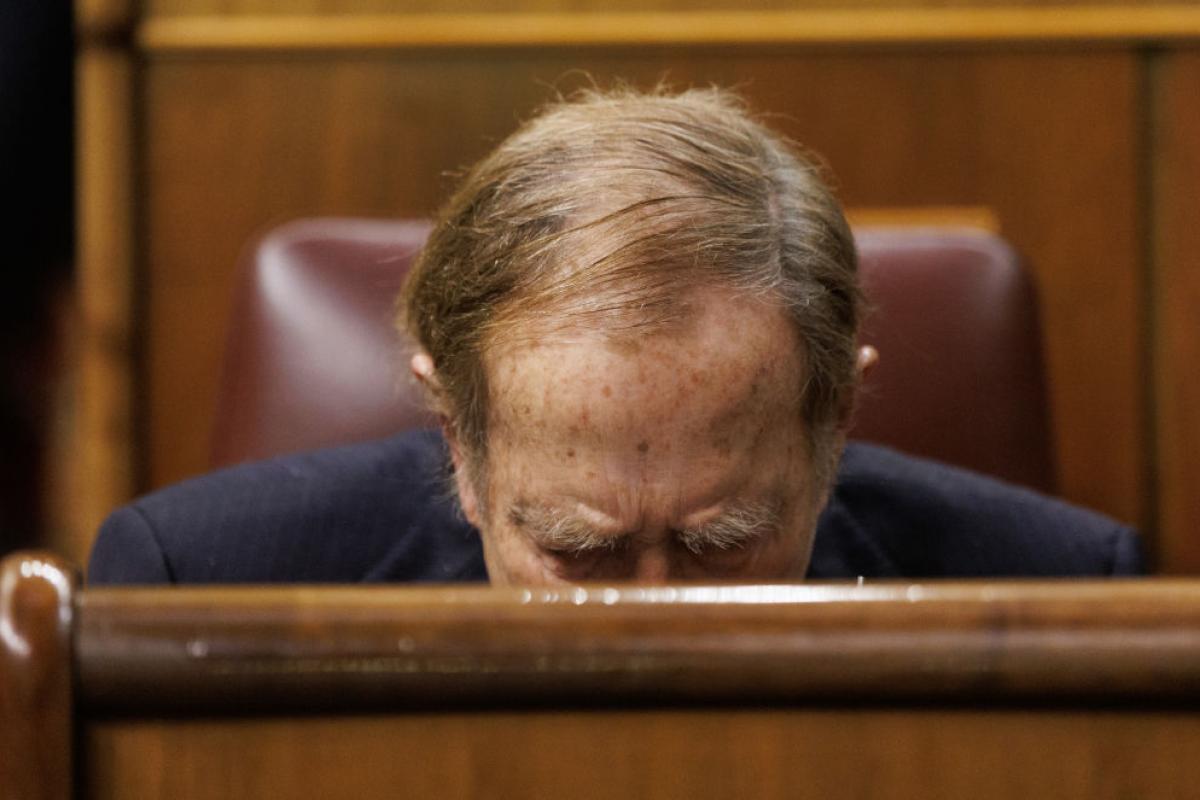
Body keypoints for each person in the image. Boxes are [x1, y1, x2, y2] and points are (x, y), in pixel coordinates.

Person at [89, 87, 1141, 585]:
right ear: (461, 444)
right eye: (578, 549)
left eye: (720, 544)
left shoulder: (1066, 590)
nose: (652, 618)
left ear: (833, 425)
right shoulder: (196, 583)